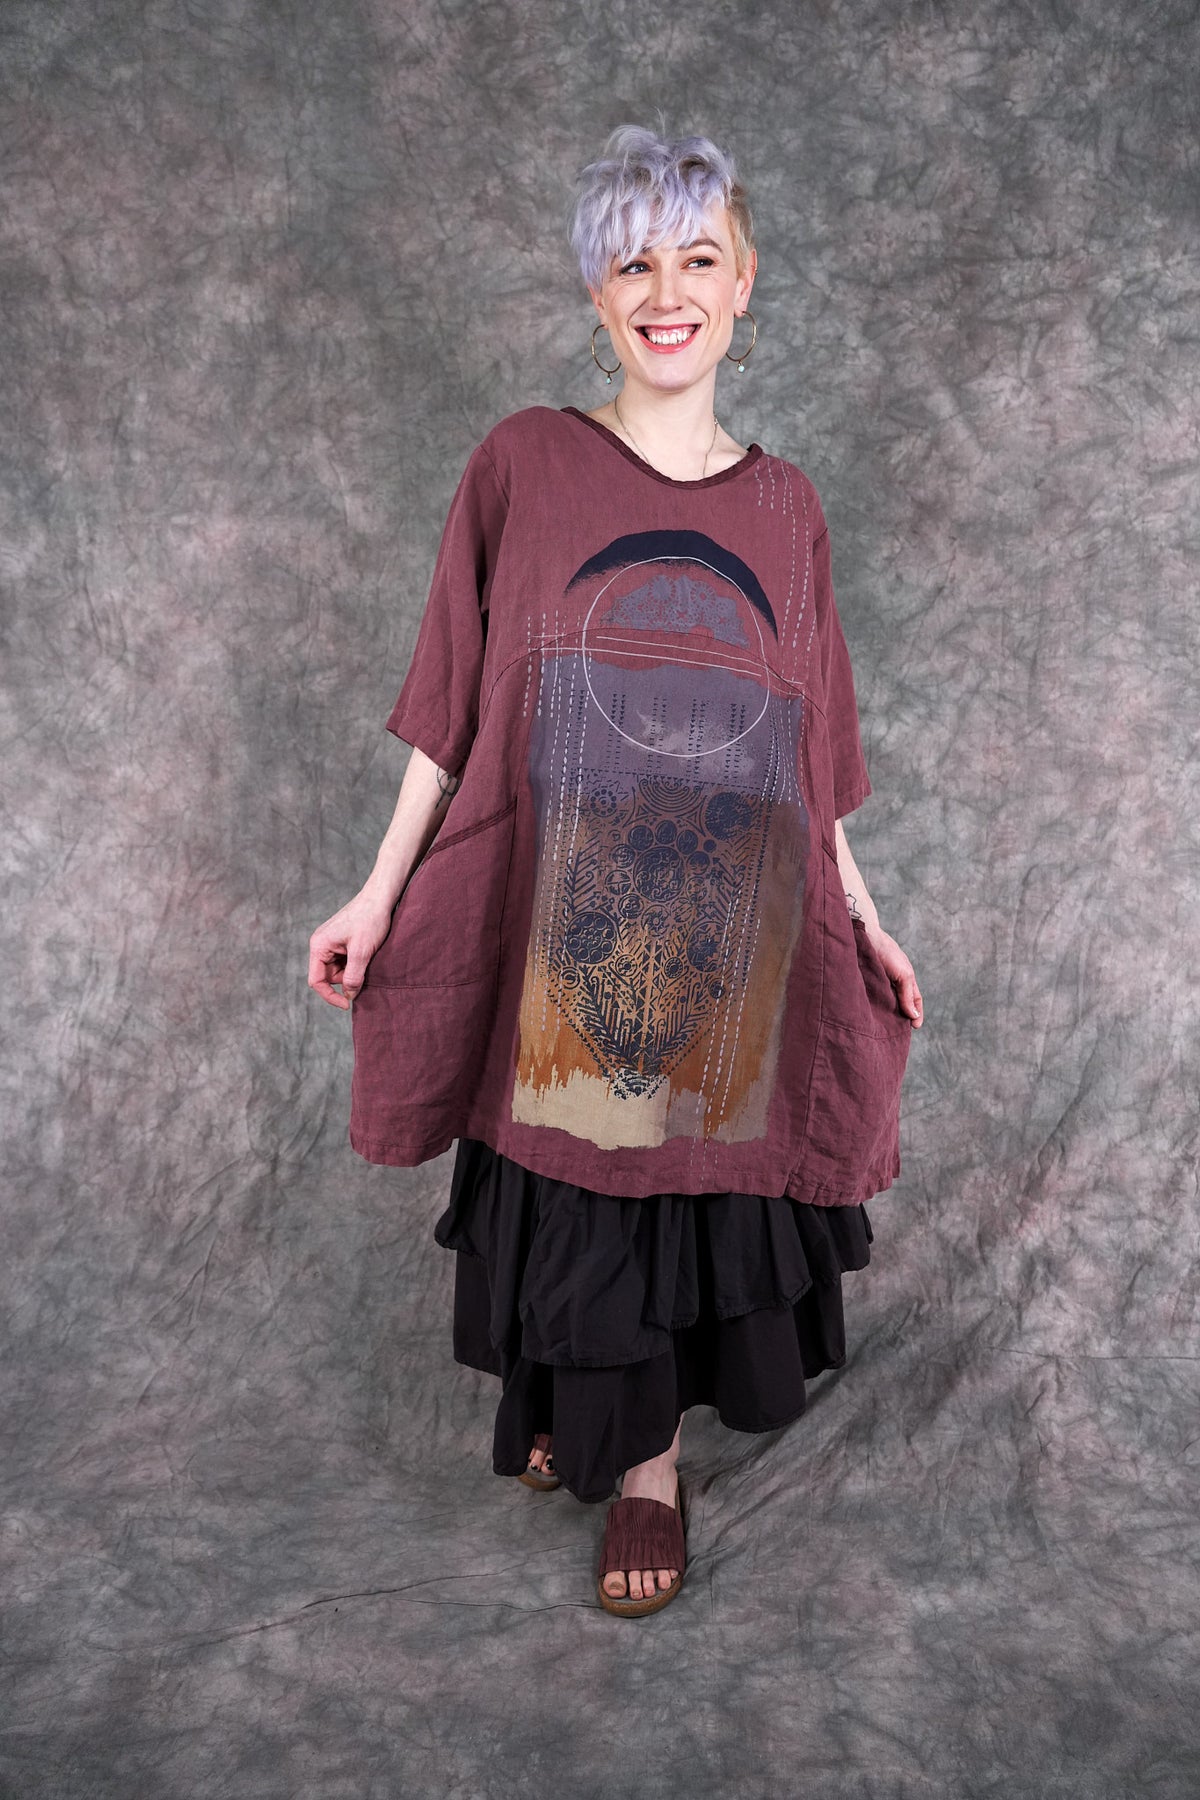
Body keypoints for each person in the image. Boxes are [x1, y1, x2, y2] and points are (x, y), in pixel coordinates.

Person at [308, 124, 923, 1618]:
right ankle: (594, 1425)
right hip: (562, 926)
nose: (666, 293)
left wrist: (863, 914)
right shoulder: (523, 462)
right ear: (597, 291)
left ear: (744, 283)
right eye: (633, 263)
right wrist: (378, 892)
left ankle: (647, 1473)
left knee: (677, 1182)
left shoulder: (787, 507)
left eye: (698, 259)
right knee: (576, 1171)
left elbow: (812, 742)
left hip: (729, 928)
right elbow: (452, 704)